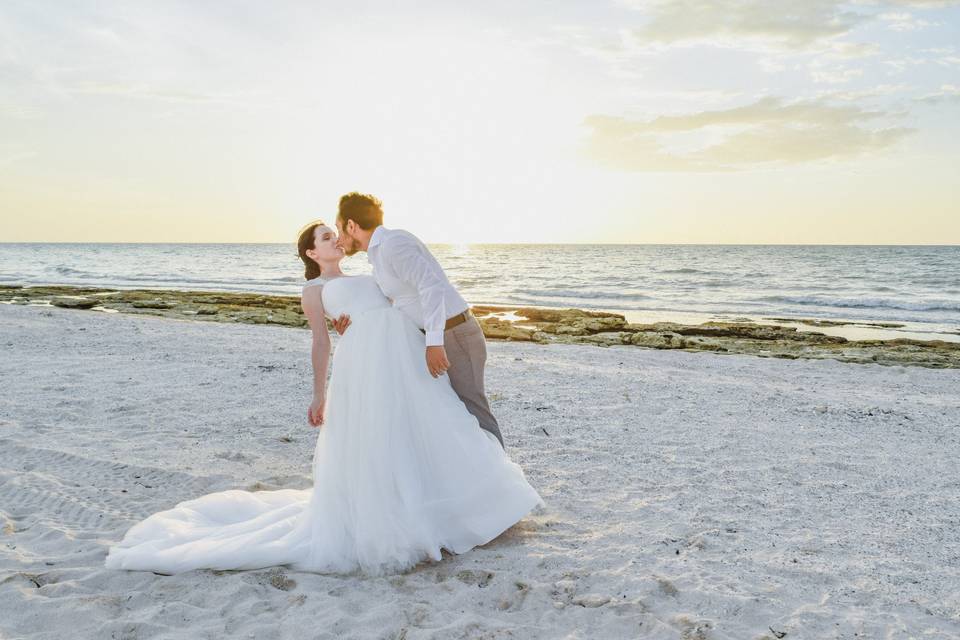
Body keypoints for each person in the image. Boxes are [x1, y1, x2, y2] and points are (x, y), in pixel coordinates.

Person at [103, 221, 544, 576]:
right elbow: (320, 342)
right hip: (365, 369)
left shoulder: (373, 275)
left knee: (438, 424)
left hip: (404, 359)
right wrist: (319, 394)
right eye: (326, 238)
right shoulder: (314, 291)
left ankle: (468, 503)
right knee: (379, 439)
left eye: (335, 234)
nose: (335, 240)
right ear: (313, 253)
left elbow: (402, 303)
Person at [334, 192, 504, 448]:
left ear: (351, 225)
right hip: (434, 336)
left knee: (474, 412)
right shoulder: (378, 256)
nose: (338, 238)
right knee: (450, 414)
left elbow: (431, 287)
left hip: (454, 333)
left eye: (338, 229)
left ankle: (501, 483)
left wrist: (435, 343)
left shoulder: (393, 244)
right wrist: (353, 325)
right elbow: (395, 304)